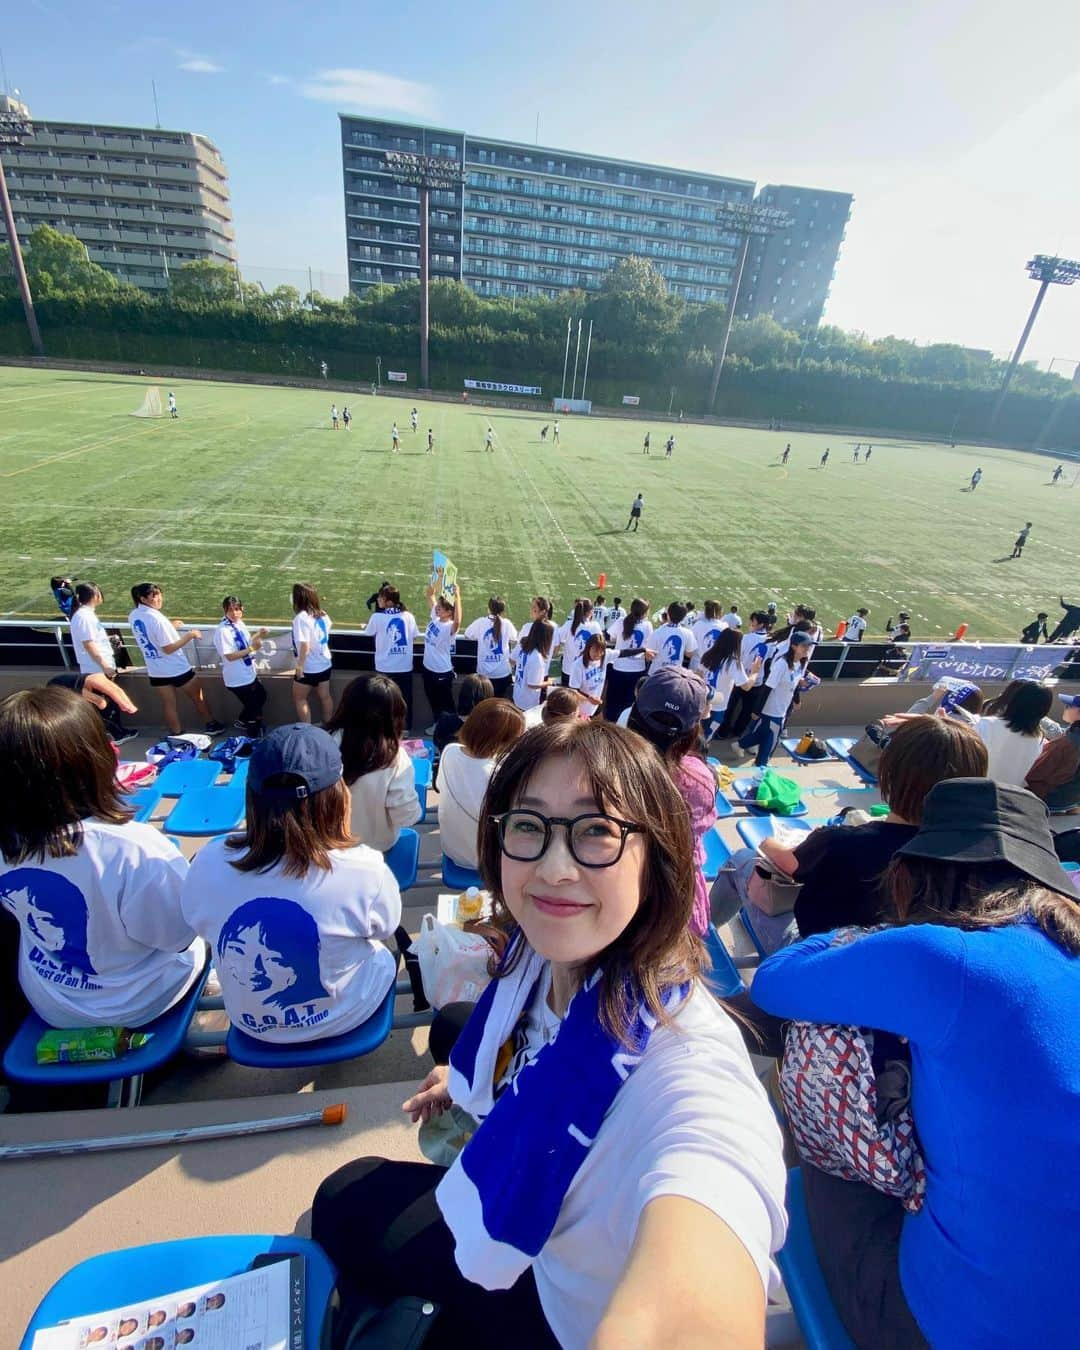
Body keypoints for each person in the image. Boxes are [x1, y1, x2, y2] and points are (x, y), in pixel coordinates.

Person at [312, 719, 787, 1349]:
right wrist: (463, 1081)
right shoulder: (541, 956)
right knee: (454, 1033)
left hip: (552, 1303)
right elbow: (508, 1037)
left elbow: (709, 1196)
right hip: (540, 1185)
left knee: (342, 1194)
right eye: (529, 827)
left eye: (597, 832)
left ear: (657, 859)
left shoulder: (691, 1070)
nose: (553, 868)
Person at [750, 777, 1080, 1349]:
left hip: (948, 1327)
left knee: (819, 1042)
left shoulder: (946, 959)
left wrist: (867, 934)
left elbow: (775, 984)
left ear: (919, 871)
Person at [0, 687, 205, 1029]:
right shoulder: (135, 849)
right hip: (137, 1004)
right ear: (96, 761)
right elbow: (179, 936)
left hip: (52, 1000)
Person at [182, 725, 401, 1045]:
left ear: (252, 796)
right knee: (381, 950)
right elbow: (386, 927)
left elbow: (195, 924)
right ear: (337, 796)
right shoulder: (364, 868)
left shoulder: (208, 861)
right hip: (346, 1015)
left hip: (250, 1024)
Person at [751, 715, 988, 941]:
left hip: (816, 959)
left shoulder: (843, 841)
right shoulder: (978, 858)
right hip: (894, 970)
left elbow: (790, 864)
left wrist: (766, 843)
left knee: (742, 861)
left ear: (888, 773)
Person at [626, 667, 716, 936]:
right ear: (691, 732)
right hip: (673, 903)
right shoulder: (699, 779)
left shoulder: (604, 765)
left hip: (618, 895)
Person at [325, 674, 420, 852]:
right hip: (377, 848)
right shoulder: (395, 757)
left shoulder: (325, 743)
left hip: (332, 846)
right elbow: (407, 816)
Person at [128, 582, 223, 736]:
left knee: (169, 704)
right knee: (198, 697)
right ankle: (211, 724)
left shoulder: (134, 615)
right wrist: (190, 635)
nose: (159, 598)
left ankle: (176, 733)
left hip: (156, 670)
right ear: (143, 599)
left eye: (159, 594)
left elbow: (151, 634)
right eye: (154, 596)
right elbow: (168, 648)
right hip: (176, 668)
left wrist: (170, 626)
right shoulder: (157, 618)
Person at [438, 700, 525, 869]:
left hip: (451, 848)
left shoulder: (450, 751)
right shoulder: (499, 774)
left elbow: (441, 786)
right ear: (500, 741)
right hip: (486, 860)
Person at [738, 632, 815, 768]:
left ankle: (740, 745)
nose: (807, 649)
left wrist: (796, 700)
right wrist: (757, 710)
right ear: (793, 646)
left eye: (809, 646)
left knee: (763, 734)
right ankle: (761, 765)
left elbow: (795, 684)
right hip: (772, 709)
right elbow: (767, 688)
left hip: (782, 708)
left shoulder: (799, 664)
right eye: (804, 646)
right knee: (770, 741)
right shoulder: (782, 664)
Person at [215, 596, 269, 738]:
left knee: (261, 697)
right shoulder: (223, 631)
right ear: (225, 611)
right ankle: (252, 738)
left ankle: (242, 721)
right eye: (230, 610)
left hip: (247, 673)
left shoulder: (238, 623)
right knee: (255, 711)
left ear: (242, 609)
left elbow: (246, 642)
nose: (234, 613)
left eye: (237, 609)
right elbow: (229, 656)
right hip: (237, 678)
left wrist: (259, 634)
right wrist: (252, 648)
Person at [365, 585, 419, 729]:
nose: (378, 599)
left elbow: (368, 632)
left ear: (388, 601)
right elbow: (414, 636)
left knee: (382, 699)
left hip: (384, 666)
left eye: (381, 597)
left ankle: (383, 728)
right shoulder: (408, 616)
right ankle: (405, 727)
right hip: (404, 666)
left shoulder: (377, 617)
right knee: (404, 699)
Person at [718, 613, 774, 739]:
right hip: (757, 680)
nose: (750, 624)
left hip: (741, 678)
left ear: (761, 624)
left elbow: (737, 655)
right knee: (747, 710)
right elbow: (769, 660)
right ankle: (738, 732)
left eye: (753, 621)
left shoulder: (746, 638)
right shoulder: (771, 642)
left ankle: (723, 732)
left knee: (730, 706)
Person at [700, 628, 761, 741]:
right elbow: (746, 686)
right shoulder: (733, 663)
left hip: (700, 701)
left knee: (693, 735)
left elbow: (698, 675)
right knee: (705, 738)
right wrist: (755, 672)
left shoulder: (708, 655)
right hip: (717, 707)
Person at [431, 674, 495, 783]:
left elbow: (437, 743)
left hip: (449, 781)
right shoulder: (493, 727)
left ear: (462, 695)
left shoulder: (445, 721)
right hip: (480, 782)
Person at [1026, 692, 1080, 812]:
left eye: (1068, 706)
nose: (1065, 709)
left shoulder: (1066, 743)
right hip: (1074, 798)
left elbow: (1034, 774)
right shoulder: (1070, 737)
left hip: (1053, 800)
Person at [291, 582, 333, 725]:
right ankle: (328, 726)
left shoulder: (301, 618)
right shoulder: (323, 615)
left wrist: (299, 667)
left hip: (309, 667)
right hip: (324, 664)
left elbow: (305, 645)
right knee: (325, 697)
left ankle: (307, 730)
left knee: (300, 698)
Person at [604, 599, 653, 722]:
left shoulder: (622, 621)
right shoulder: (647, 625)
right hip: (637, 669)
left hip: (619, 667)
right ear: (645, 612)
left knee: (613, 701)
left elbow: (610, 636)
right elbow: (649, 645)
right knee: (628, 703)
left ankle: (609, 724)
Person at [423, 576, 463, 724]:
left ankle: (452, 729)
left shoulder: (449, 627)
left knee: (446, 705)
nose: (437, 608)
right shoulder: (436, 618)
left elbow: (458, 621)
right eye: (438, 606)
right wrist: (437, 579)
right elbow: (429, 594)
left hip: (441, 672)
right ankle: (437, 724)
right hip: (428, 669)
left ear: (449, 612)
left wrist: (457, 597)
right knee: (433, 701)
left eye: (441, 607)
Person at [465, 597, 518, 699]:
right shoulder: (507, 624)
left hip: (484, 676)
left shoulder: (480, 622)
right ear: (502, 610)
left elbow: (468, 634)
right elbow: (515, 638)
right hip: (503, 675)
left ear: (488, 608)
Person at [68, 583, 117, 679]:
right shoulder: (84, 617)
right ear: (94, 596)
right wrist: (105, 666)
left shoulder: (85, 614)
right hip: (96, 669)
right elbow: (88, 645)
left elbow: (91, 639)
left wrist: (108, 639)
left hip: (98, 667)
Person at [556, 598, 603, 694]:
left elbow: (557, 637)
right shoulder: (595, 626)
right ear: (590, 612)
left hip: (568, 670)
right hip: (586, 671)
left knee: (567, 698)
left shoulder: (569, 624)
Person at [511, 609, 555, 713]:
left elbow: (513, 660)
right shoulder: (537, 658)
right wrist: (549, 682)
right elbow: (532, 684)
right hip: (527, 703)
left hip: (518, 694)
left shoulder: (524, 645)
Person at [648, 601, 697, 671]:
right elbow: (689, 654)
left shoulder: (657, 632)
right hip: (675, 674)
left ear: (668, 614)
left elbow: (649, 654)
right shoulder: (688, 633)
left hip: (657, 673)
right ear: (683, 617)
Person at [576, 633, 608, 717]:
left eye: (601, 651)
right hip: (581, 710)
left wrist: (644, 650)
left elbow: (623, 652)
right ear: (588, 648)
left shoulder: (605, 657)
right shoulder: (578, 665)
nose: (598, 654)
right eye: (595, 650)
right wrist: (589, 698)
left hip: (596, 707)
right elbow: (573, 690)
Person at [690, 601, 726, 671]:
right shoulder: (724, 626)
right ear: (720, 612)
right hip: (715, 668)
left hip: (697, 665)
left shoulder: (698, 624)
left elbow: (690, 646)